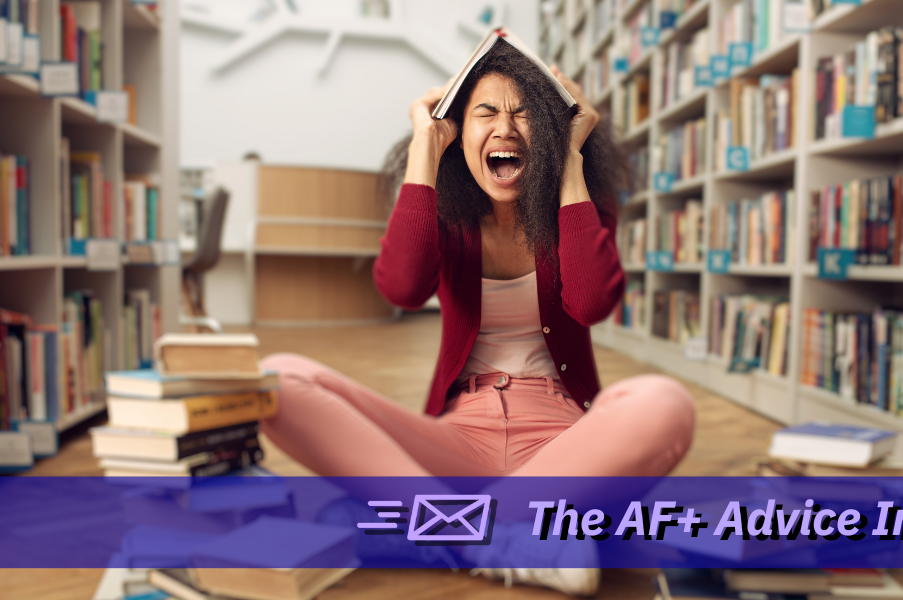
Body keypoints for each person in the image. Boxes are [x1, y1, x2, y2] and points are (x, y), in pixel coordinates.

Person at [260, 39, 695, 596]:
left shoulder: (579, 200)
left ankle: (431, 527)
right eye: (486, 113)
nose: (506, 129)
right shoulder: (441, 206)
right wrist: (424, 146)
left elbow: (591, 303)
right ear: (458, 131)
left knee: (664, 401)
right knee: (279, 377)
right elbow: (402, 288)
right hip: (459, 440)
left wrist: (568, 161)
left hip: (563, 446)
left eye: (526, 115)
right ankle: (500, 535)